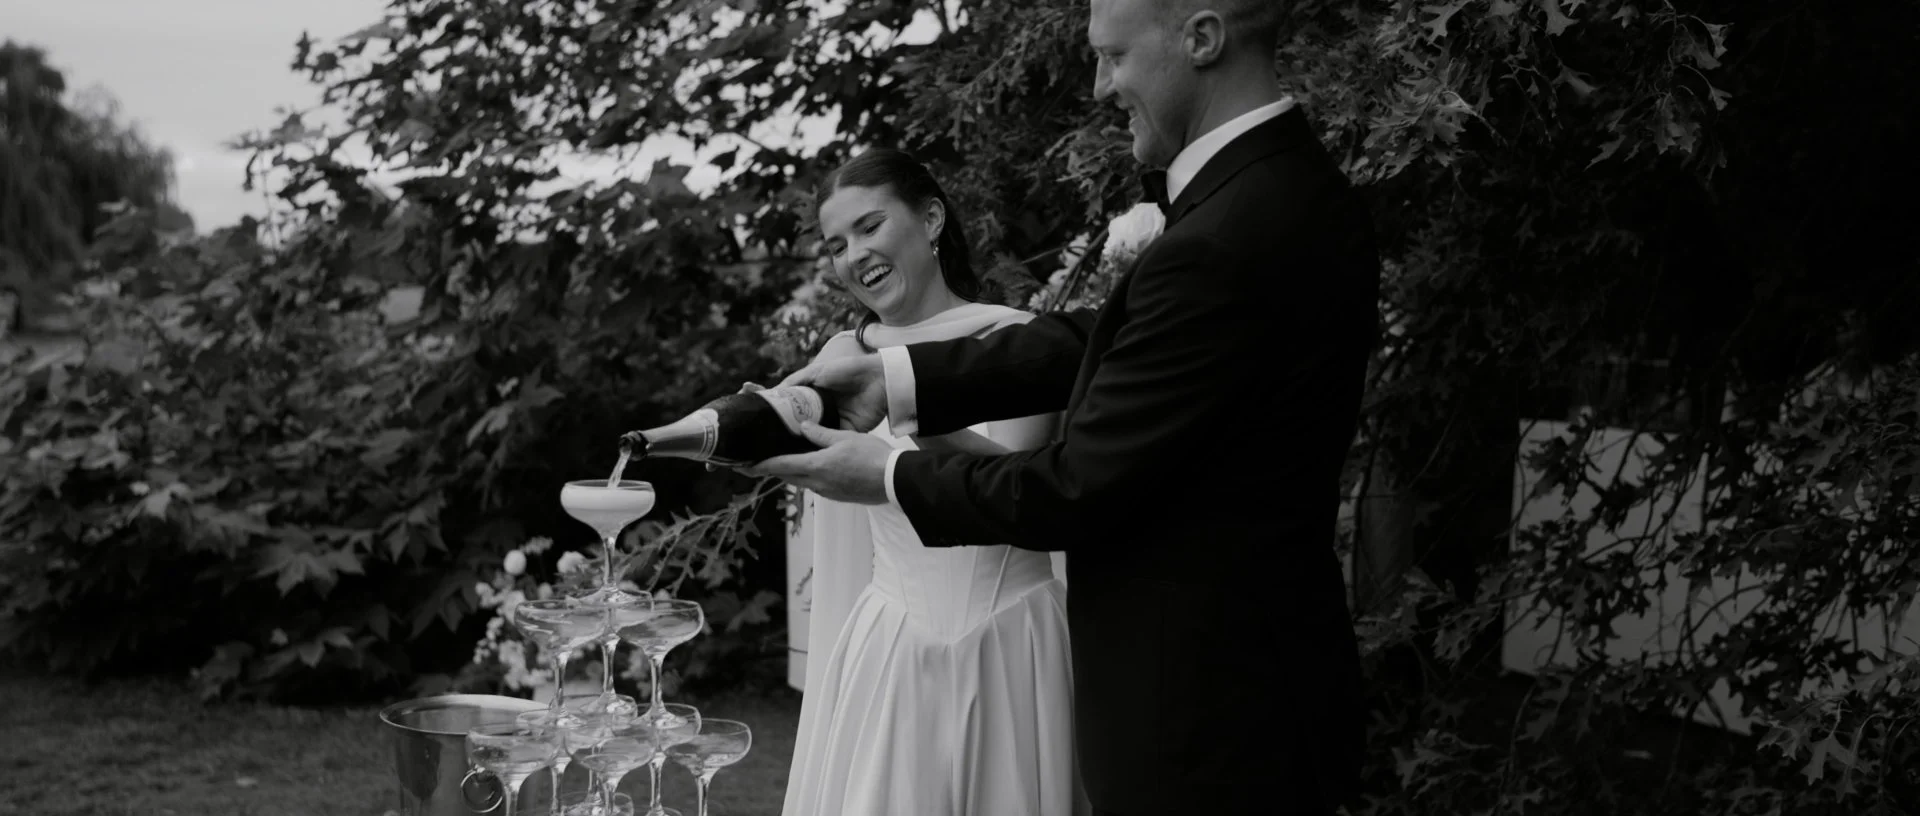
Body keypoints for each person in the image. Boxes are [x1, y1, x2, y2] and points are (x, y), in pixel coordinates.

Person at [745, 1, 1382, 813]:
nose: (1100, 86)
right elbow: (1110, 339)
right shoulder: (1278, 191)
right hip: (1254, 684)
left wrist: (891, 476)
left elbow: (1077, 486)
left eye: (1113, 56)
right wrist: (900, 380)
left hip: (1209, 720)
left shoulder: (1231, 230)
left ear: (1202, 38)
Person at [777, 147, 1089, 816]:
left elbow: (1012, 494)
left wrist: (900, 399)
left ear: (931, 219)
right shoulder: (839, 360)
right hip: (894, 643)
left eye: (870, 226)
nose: (854, 255)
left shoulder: (1016, 341)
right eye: (837, 245)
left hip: (1013, 640)